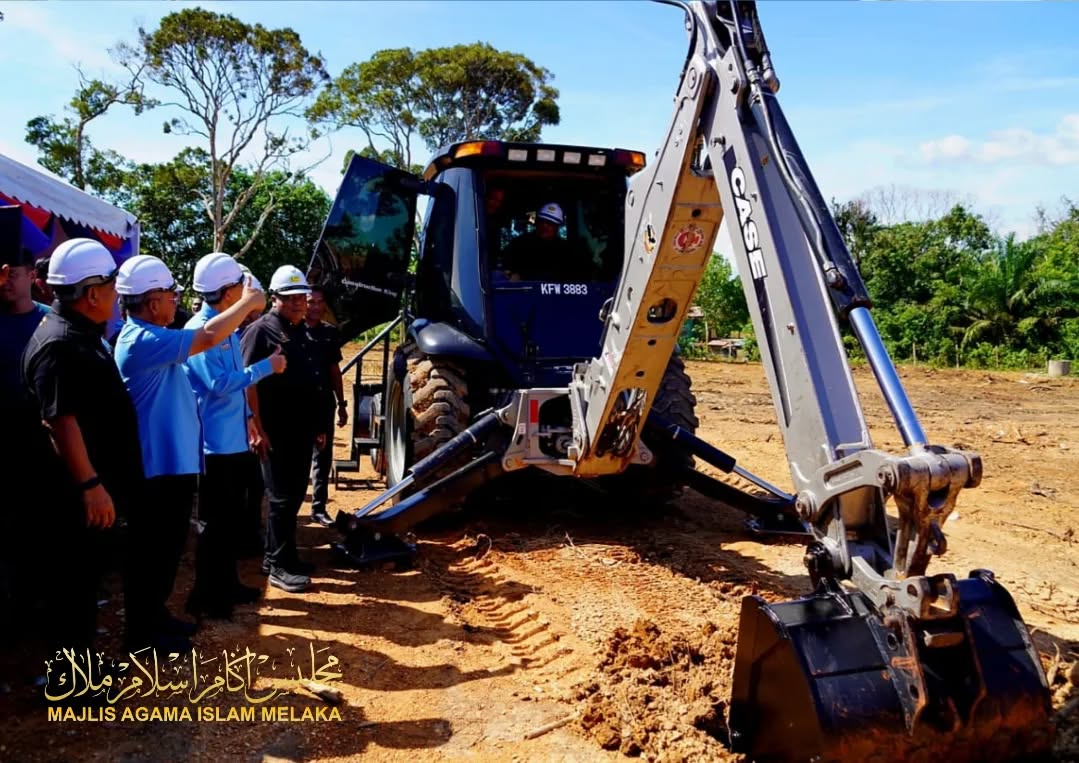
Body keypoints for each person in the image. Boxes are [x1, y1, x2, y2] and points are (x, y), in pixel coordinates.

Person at [113, 254, 265, 651]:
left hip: (174, 464)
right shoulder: (143, 340)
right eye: (168, 293)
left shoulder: (155, 337)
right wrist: (248, 304)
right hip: (155, 468)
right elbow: (211, 346)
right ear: (150, 302)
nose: (174, 300)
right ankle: (143, 634)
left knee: (165, 549)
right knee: (150, 553)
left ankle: (157, 617)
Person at [21, 239, 141, 659]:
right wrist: (91, 485)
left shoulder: (81, 334)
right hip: (73, 496)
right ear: (92, 293)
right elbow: (60, 420)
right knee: (71, 587)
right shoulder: (60, 343)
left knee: (84, 585)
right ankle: (72, 682)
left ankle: (83, 670)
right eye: (111, 285)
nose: (115, 294)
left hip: (92, 487)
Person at [182, 253, 285, 619]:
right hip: (213, 447)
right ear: (227, 293)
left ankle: (227, 585)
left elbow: (235, 391)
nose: (246, 292)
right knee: (213, 526)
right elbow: (219, 384)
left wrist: (250, 421)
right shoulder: (203, 331)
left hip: (232, 441)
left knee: (229, 523)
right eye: (240, 287)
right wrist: (266, 367)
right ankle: (206, 596)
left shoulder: (224, 329)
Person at [241, 265, 326, 594]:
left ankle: (284, 556)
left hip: (301, 431)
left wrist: (318, 425)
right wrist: (255, 426)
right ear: (274, 298)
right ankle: (277, 566)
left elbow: (312, 380)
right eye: (290, 299)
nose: (298, 304)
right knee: (278, 500)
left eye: (301, 298)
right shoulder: (261, 331)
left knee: (292, 499)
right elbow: (247, 381)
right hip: (275, 431)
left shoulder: (301, 330)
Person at [0, 206, 50, 634]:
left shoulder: (47, 323)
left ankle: (33, 607)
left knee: (36, 533)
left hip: (38, 444)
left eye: (16, 272)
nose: (8, 280)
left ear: (30, 275)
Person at [304, 285, 348, 527]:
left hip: (323, 405)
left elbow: (334, 371)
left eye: (320, 302)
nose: (316, 307)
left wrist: (341, 404)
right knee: (299, 457)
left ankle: (318, 508)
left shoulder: (330, 334)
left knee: (323, 456)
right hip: (299, 406)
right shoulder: (292, 333)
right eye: (311, 302)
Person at [502, 202, 589, 282]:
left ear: (557, 226)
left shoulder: (567, 250)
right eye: (542, 221)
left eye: (549, 223)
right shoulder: (519, 244)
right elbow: (506, 269)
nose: (544, 226)